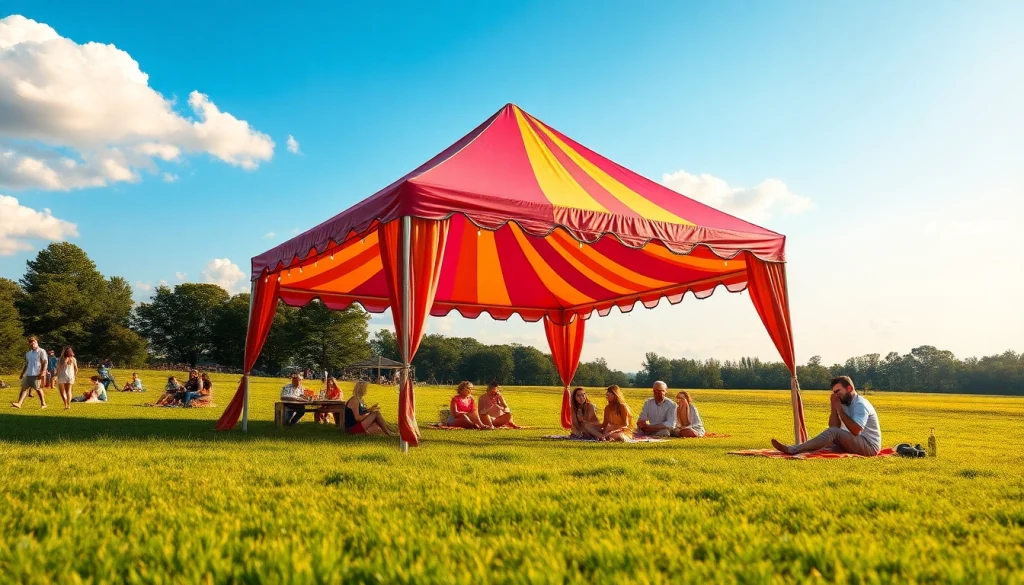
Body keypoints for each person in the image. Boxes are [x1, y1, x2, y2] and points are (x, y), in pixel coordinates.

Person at [771, 376, 882, 456]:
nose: (836, 395)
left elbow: (856, 430)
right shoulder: (843, 401)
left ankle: (793, 449)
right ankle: (798, 449)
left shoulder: (860, 405)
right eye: (834, 392)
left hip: (869, 447)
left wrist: (839, 409)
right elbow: (834, 426)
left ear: (849, 389)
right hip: (856, 442)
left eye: (838, 391)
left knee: (831, 435)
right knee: (825, 444)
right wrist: (834, 407)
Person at [12, 336, 48, 409]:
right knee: (24, 388)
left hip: (37, 374)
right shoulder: (28, 353)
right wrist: (22, 373)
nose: (32, 343)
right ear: (29, 344)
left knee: (38, 389)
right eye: (31, 342)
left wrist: (43, 372)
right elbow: (27, 364)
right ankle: (19, 403)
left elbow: (45, 362)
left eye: (34, 342)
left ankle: (43, 404)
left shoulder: (41, 351)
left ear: (37, 342)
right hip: (28, 374)